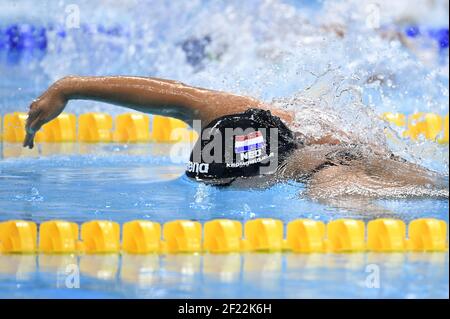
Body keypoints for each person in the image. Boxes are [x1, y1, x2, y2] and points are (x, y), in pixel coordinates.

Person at [23, 76, 448, 198]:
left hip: (349, 167)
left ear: (254, 176)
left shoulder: (328, 187)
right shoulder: (270, 120)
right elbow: (177, 98)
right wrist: (69, 87)